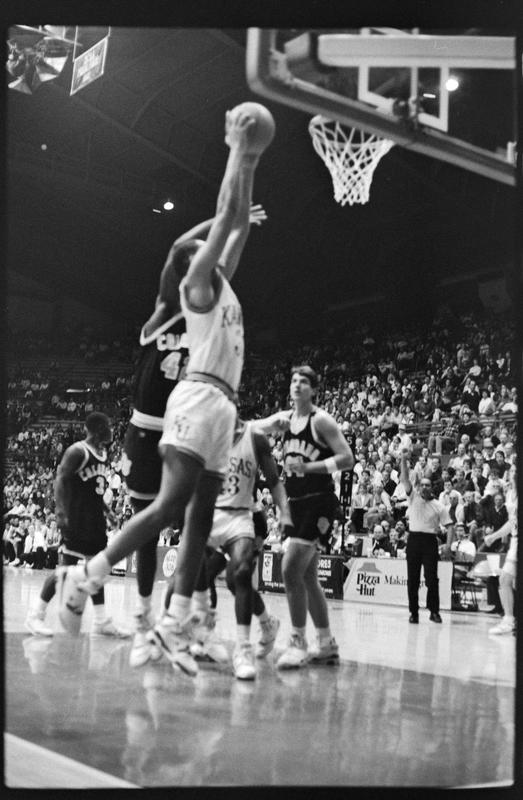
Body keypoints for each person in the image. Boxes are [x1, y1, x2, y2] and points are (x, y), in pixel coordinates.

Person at [57, 107, 265, 677]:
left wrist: (251, 164)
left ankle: (174, 624)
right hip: (192, 401)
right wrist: (237, 150)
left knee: (199, 520)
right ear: (190, 264)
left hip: (222, 406)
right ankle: (89, 575)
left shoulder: (222, 287)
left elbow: (239, 226)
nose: (214, 250)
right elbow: (221, 224)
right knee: (170, 507)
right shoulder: (195, 288)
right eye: (203, 249)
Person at [121, 203, 266, 669]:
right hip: (150, 428)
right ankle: (143, 621)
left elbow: (219, 257)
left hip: (193, 419)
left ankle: (194, 625)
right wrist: (218, 221)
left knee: (198, 530)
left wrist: (235, 224)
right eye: (201, 255)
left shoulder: (208, 308)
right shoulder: (166, 311)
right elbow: (177, 250)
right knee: (151, 526)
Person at [168, 416, 293, 680]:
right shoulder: (204, 434)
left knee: (239, 577)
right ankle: (205, 631)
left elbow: (274, 480)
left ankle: (245, 645)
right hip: (209, 514)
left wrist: (284, 512)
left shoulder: (253, 437)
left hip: (244, 516)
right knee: (196, 572)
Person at [268, 366, 354, 669]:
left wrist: (310, 468)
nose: (297, 385)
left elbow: (347, 458)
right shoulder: (286, 419)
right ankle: (327, 644)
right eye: (294, 381)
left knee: (290, 569)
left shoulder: (321, 421)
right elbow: (255, 427)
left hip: (319, 502)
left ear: (314, 390)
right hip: (296, 503)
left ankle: (298, 642)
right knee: (307, 576)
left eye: (304, 382)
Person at [25, 413, 129, 638]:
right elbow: (60, 481)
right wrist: (61, 513)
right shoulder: (77, 451)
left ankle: (100, 621)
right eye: (108, 426)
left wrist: (107, 511)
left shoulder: (103, 454)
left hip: (95, 521)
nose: (111, 430)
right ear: (98, 428)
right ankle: (35, 615)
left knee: (96, 571)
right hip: (76, 519)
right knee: (64, 572)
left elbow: (93, 491)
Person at [399, 449, 454, 624]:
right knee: (413, 579)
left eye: (427, 485)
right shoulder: (413, 497)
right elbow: (404, 478)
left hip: (430, 541)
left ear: (432, 488)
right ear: (418, 487)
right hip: (414, 540)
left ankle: (434, 611)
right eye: (422, 485)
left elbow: (450, 526)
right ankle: (414, 613)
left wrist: (448, 546)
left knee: (432, 579)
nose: (424, 487)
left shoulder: (439, 506)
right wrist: (403, 459)